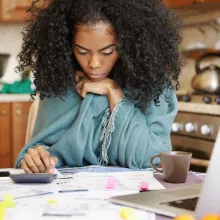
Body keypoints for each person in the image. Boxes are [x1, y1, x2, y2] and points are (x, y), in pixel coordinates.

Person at [15, 0, 182, 173]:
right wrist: (35, 160)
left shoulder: (152, 85)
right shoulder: (59, 84)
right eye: (82, 51)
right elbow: (36, 153)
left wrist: (113, 92)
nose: (94, 64)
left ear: (127, 44)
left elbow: (154, 159)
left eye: (107, 52)